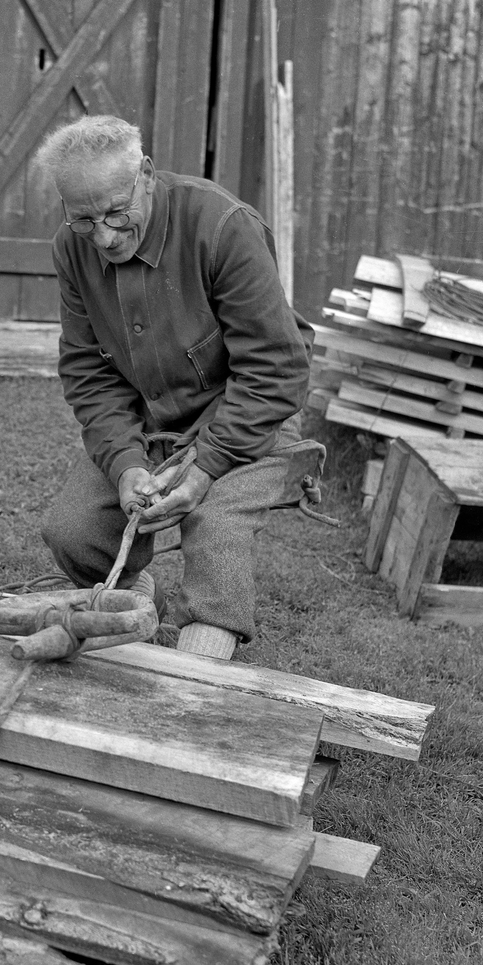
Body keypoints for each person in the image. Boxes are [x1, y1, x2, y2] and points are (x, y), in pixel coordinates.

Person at [33, 115, 315, 660]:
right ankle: (134, 604)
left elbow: (277, 368)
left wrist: (207, 467)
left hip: (250, 411)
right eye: (84, 220)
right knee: (74, 530)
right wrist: (124, 464)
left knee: (214, 527)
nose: (105, 237)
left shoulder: (222, 226)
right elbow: (90, 373)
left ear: (145, 173)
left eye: (117, 213)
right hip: (155, 421)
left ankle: (202, 657)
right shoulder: (71, 248)